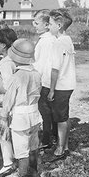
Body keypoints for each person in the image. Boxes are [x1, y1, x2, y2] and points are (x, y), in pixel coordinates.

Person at [1, 39, 42, 177]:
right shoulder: (37, 74)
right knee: (33, 145)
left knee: (21, 150)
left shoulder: (16, 77)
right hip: (35, 114)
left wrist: (5, 115)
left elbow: (8, 100)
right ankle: (34, 171)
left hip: (20, 118)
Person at [46, 8, 76, 162]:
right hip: (69, 84)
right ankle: (65, 145)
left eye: (50, 23)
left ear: (58, 25)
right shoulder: (68, 40)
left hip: (61, 85)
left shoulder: (58, 43)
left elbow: (55, 70)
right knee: (64, 115)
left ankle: (60, 148)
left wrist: (51, 90)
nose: (48, 26)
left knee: (60, 118)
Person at [0, 27, 19, 177]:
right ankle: (13, 158)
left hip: (4, 104)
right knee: (9, 133)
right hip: (14, 102)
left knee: (3, 135)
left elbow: (6, 88)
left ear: (4, 45)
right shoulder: (14, 59)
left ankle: (8, 162)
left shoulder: (6, 64)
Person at [32, 9, 58, 150]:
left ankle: (47, 138)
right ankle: (53, 134)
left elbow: (40, 64)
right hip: (51, 80)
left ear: (47, 25)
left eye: (37, 23)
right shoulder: (51, 39)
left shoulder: (45, 42)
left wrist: (35, 80)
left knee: (45, 111)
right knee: (50, 111)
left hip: (45, 80)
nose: (34, 25)